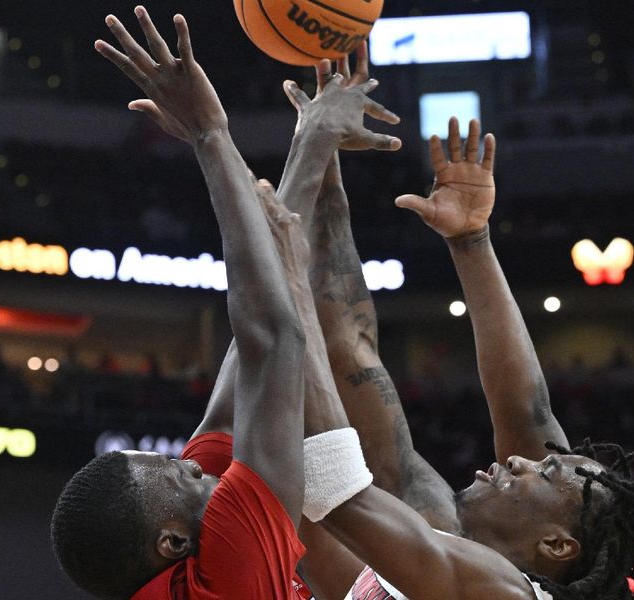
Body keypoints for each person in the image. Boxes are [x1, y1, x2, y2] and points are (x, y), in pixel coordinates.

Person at [281, 54, 634, 598]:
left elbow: (334, 487)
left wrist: (287, 280)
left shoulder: (502, 592)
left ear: (556, 546)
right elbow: (359, 353)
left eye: (546, 473)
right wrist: (467, 238)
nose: (515, 459)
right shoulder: (439, 532)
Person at [49, 7, 401, 599]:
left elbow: (252, 350)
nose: (193, 464)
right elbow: (274, 340)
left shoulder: (180, 531)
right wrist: (210, 134)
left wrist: (311, 143)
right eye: (183, 474)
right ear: (172, 543)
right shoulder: (229, 578)